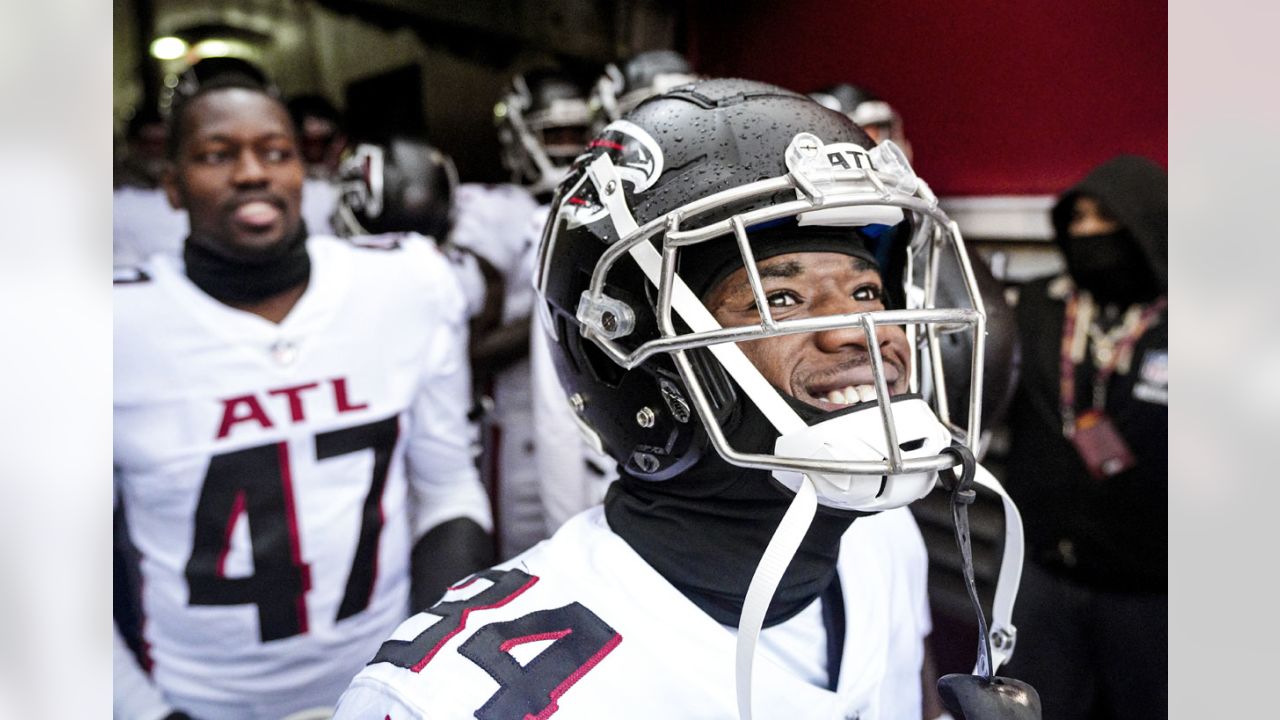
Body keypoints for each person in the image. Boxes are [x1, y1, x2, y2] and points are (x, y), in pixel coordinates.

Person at [334, 79, 1030, 720]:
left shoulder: (878, 536)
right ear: (634, 363)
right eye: (779, 298)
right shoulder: (454, 698)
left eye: (867, 291)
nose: (858, 331)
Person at [113, 66, 494, 720]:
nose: (253, 173)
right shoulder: (105, 326)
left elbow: (447, 486)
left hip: (383, 687)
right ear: (173, 187)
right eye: (216, 155)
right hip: (195, 698)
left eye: (275, 151)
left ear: (304, 172)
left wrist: (423, 669)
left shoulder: (401, 286)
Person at [1001, 156, 1167, 719]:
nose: (1087, 233)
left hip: (1152, 585)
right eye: (1078, 219)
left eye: (1106, 219)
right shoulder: (1039, 305)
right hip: (1044, 570)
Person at [452, 68, 594, 558]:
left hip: (589, 427)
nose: (569, 146)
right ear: (519, 134)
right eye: (555, 134)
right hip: (517, 429)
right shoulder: (491, 212)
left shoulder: (603, 202)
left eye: (580, 133)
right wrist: (558, 317)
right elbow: (468, 350)